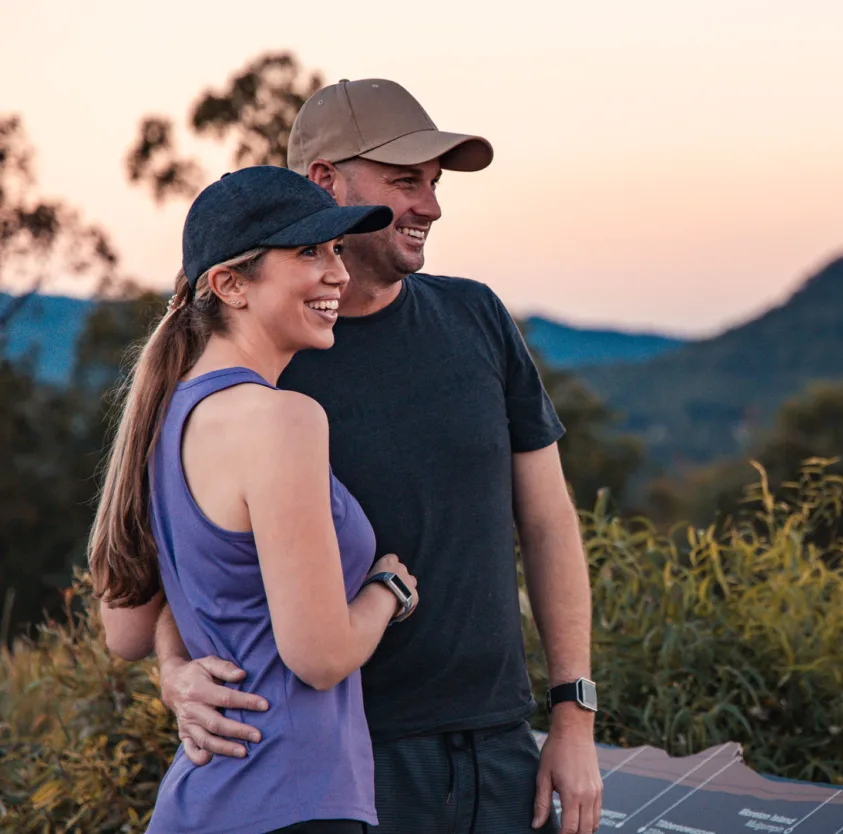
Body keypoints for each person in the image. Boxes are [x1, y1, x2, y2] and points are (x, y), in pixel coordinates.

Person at [144, 79, 604, 834]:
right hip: (349, 766)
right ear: (325, 180)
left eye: (434, 182)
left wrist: (573, 713)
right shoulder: (269, 360)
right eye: (404, 181)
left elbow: (549, 520)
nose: (430, 204)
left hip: (500, 748)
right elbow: (178, 548)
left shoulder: (478, 317)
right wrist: (175, 672)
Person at [90, 165, 420, 834]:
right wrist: (389, 588)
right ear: (230, 284)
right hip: (293, 800)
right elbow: (319, 656)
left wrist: (176, 666)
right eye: (308, 253)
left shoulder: (162, 422)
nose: (338, 273)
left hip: (204, 804)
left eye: (334, 251)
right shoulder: (282, 419)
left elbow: (124, 631)